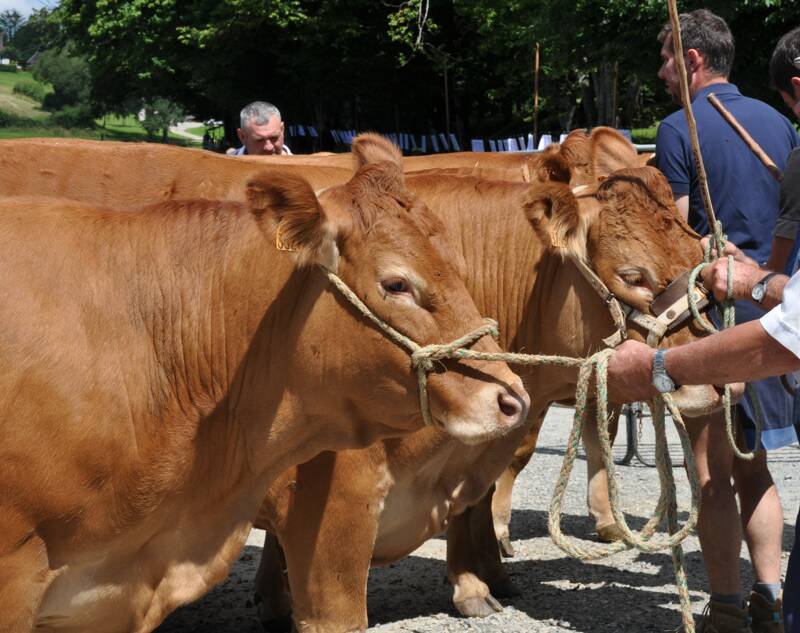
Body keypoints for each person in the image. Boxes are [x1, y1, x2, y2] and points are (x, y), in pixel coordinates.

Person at [609, 25, 800, 633]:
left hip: (715, 324)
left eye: (665, 58)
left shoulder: (675, 130)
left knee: (713, 475)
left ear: (692, 60)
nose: (661, 73)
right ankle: (769, 594)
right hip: (782, 315)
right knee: (756, 468)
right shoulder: (780, 121)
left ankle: (723, 608)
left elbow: (675, 237)